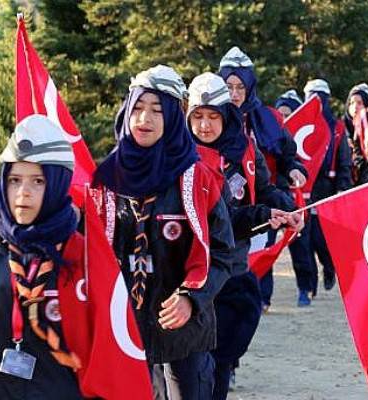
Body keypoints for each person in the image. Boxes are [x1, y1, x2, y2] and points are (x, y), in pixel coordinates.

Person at [93, 65, 234, 399]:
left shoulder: (197, 179)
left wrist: (192, 298)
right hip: (122, 326)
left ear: (172, 118)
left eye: (158, 111)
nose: (145, 119)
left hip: (184, 329)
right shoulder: (106, 180)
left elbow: (223, 253)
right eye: (138, 108)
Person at [186, 72, 302, 397]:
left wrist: (286, 207)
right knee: (191, 367)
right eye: (198, 116)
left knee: (222, 360)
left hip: (233, 267)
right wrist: (265, 216)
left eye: (213, 116)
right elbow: (215, 221)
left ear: (227, 115)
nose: (205, 125)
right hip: (192, 276)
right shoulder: (179, 158)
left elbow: (263, 189)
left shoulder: (245, 149)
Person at [0, 115, 85, 399]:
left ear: (58, 184)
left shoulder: (85, 257)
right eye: (14, 180)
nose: (23, 192)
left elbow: (110, 357)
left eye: (38, 181)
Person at [218, 46, 309, 308]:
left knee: (260, 249)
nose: (234, 94)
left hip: (263, 195)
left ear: (249, 87)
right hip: (222, 202)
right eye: (228, 87)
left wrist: (294, 169)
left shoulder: (268, 118)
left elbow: (288, 153)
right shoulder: (210, 117)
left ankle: (261, 298)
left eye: (240, 87)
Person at [301, 79, 352, 295]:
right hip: (304, 186)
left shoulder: (338, 128)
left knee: (322, 239)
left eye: (318, 97)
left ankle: (329, 266)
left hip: (327, 187)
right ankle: (309, 285)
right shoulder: (300, 125)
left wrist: (342, 186)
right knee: (306, 240)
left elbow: (344, 161)